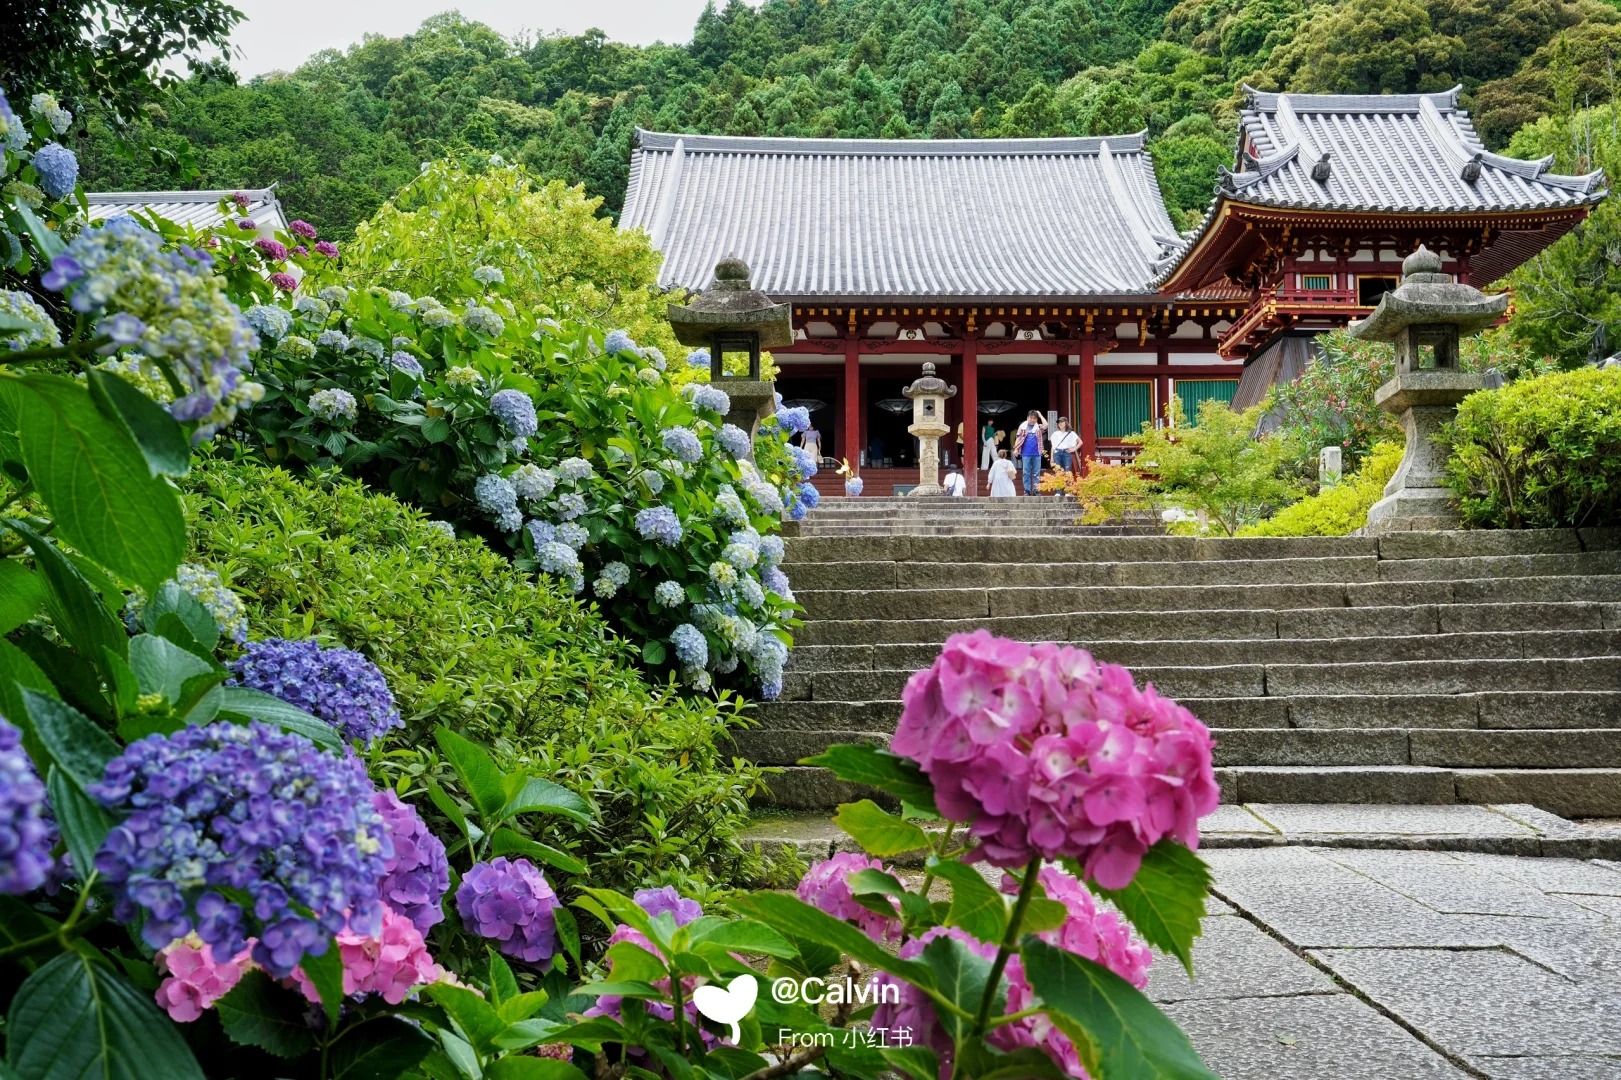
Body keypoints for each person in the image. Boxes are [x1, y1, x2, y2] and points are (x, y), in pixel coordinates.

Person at [1012, 410, 1047, 495]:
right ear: (1027, 418)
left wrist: (1040, 414)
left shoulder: (1038, 427)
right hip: (1025, 453)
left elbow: (1046, 426)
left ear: (1036, 419)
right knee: (1026, 473)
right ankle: (1027, 491)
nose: (1032, 420)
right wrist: (1016, 449)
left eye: (1034, 418)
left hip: (1037, 453)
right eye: (1031, 418)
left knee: (1036, 473)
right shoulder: (1023, 427)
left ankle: (1036, 490)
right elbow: (1018, 438)